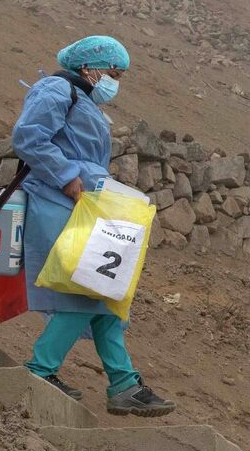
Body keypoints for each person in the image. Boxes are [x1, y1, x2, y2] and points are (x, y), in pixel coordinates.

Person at [12, 36, 176, 417]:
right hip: (57, 202)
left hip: (81, 206)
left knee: (103, 293)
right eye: (113, 73)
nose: (115, 82)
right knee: (86, 290)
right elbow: (28, 137)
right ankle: (39, 370)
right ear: (88, 67)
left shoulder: (84, 100)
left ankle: (124, 384)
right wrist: (67, 176)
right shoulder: (57, 90)